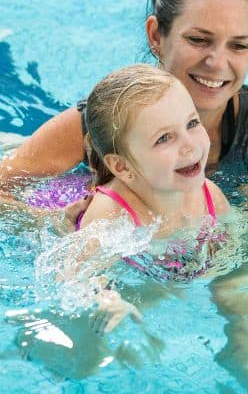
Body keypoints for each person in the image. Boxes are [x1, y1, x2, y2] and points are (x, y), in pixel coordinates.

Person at [0, 0, 248, 207]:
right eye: (198, 40)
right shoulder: (103, 121)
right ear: (156, 35)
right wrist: (64, 227)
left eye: (239, 45)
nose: (217, 63)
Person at [71, 64, 231, 335]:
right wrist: (108, 300)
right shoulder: (111, 213)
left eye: (192, 123)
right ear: (122, 168)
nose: (190, 145)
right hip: (57, 203)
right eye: (164, 138)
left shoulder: (209, 195)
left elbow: (232, 245)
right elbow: (77, 274)